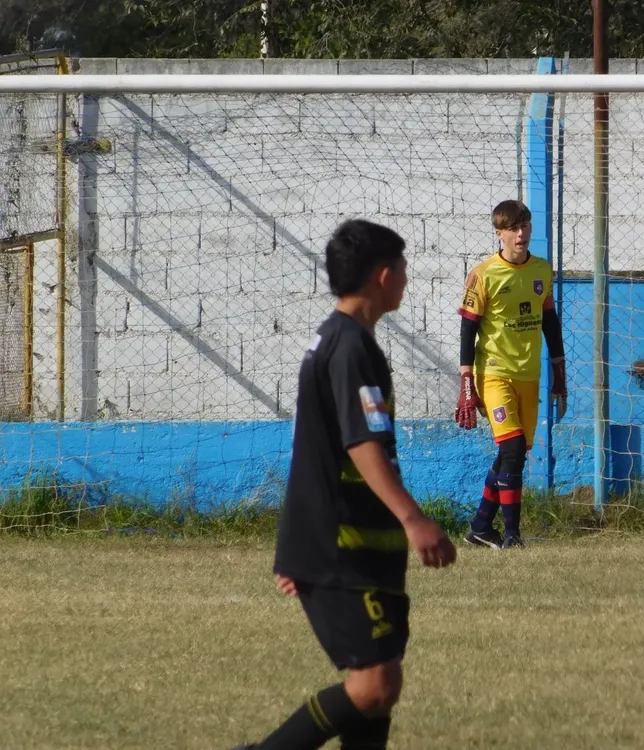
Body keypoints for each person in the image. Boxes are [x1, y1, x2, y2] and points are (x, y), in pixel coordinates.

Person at [236, 219, 457, 750]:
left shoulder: (342, 341)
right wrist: (413, 519)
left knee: (382, 687)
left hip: (353, 544)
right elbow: (362, 446)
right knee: (373, 684)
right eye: (403, 268)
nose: (406, 278)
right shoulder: (349, 347)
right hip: (340, 547)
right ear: (383, 275)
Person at [455, 200, 567, 550]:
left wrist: (559, 371)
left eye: (525, 226)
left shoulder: (541, 271)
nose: (521, 234)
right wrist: (466, 384)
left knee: (509, 455)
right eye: (514, 229)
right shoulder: (483, 274)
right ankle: (512, 536)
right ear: (500, 233)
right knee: (514, 448)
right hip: (493, 374)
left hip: (528, 374)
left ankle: (480, 527)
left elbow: (550, 321)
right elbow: (467, 329)